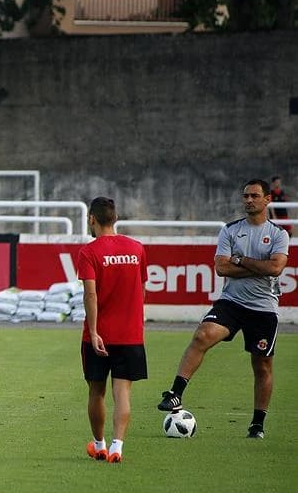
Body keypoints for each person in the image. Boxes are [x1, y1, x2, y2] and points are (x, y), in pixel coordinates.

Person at [158, 179, 290, 439]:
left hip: (263, 308)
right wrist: (256, 266)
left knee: (262, 366)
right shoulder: (230, 230)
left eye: (254, 196)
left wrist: (240, 260)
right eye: (245, 196)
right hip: (231, 302)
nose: (249, 200)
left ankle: (257, 424)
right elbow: (222, 268)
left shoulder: (278, 234)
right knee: (202, 335)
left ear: (267, 200)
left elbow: (275, 268)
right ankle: (175, 394)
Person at [77, 197, 148, 464]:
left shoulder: (89, 252)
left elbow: (91, 295)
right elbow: (142, 290)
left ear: (92, 219)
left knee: (97, 392)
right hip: (130, 334)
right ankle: (118, 447)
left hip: (99, 334)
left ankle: (99, 445)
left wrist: (94, 332)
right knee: (122, 393)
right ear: (115, 218)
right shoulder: (137, 249)